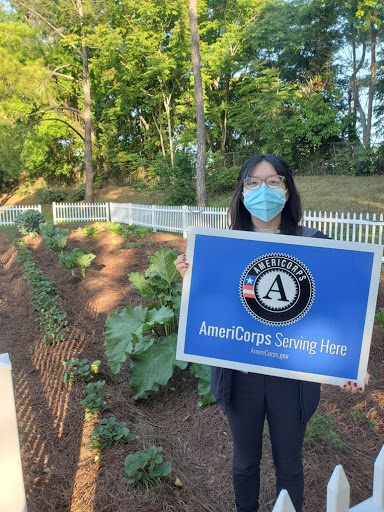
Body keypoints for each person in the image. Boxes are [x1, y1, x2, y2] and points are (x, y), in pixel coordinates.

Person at [174, 154, 370, 512]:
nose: (263, 190)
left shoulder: (314, 242)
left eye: (273, 181)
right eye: (253, 182)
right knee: (245, 463)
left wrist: (352, 363)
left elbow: (337, 307)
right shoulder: (223, 245)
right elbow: (216, 303)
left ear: (287, 189)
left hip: (291, 380)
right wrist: (192, 279)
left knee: (289, 467)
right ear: (242, 191)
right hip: (240, 376)